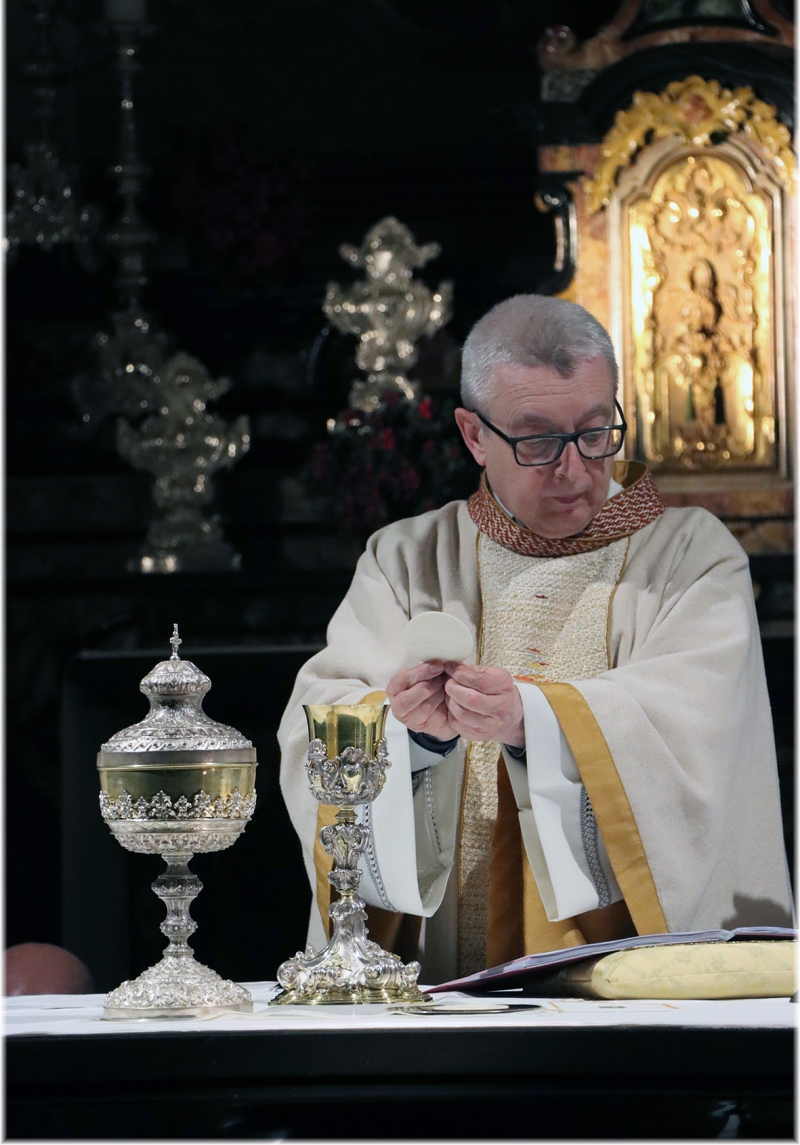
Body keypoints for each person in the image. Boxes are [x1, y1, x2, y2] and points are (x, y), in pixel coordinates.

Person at [278, 294, 793, 983]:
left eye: (595, 431)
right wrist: (412, 736)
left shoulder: (692, 556)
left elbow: (700, 734)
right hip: (441, 981)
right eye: (539, 441)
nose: (574, 469)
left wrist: (534, 721)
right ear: (474, 435)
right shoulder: (406, 562)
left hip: (635, 994)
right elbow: (317, 729)